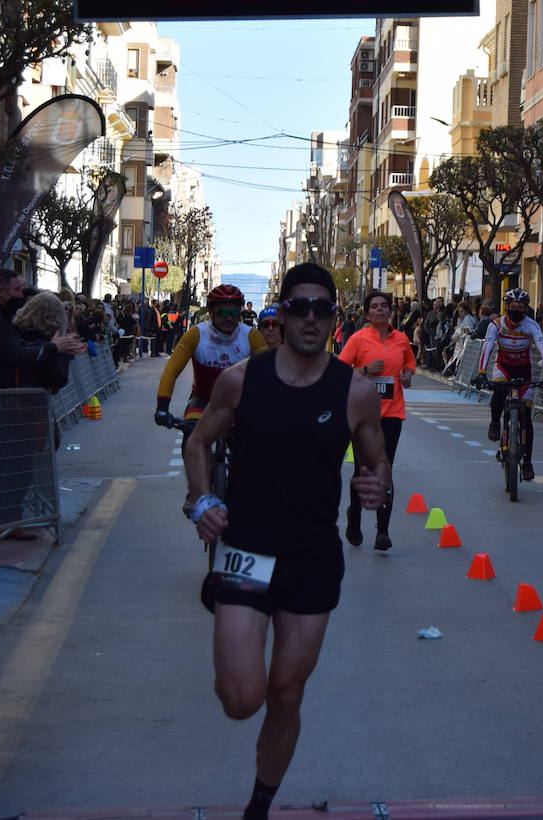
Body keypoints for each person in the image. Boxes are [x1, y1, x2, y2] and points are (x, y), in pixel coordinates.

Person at [182, 262, 389, 820]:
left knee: (287, 694)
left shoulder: (357, 392)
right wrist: (202, 500)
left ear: (334, 318)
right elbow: (199, 443)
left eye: (323, 309)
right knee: (240, 700)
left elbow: (377, 462)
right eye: (300, 306)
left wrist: (374, 485)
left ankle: (260, 803)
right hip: (247, 546)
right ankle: (230, 633)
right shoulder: (243, 379)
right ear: (283, 309)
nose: (311, 318)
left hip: (312, 557)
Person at [336, 291, 416, 551]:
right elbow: (338, 372)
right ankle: (355, 518)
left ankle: (383, 531)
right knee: (363, 471)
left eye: (384, 306)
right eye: (374, 307)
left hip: (392, 412)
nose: (380, 310)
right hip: (363, 415)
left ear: (390, 311)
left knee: (385, 470)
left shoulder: (401, 340)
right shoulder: (358, 339)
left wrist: (406, 374)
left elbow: (410, 364)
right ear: (367, 313)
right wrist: (365, 371)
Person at [154, 283, 269, 430]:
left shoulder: (251, 335)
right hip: (203, 398)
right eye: (222, 312)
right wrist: (162, 407)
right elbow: (172, 371)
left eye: (234, 313)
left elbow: (267, 374)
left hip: (240, 401)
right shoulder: (196, 334)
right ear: (211, 311)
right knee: (192, 437)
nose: (229, 318)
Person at [475, 288, 543, 482]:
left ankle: (527, 462)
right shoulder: (496, 325)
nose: (516, 310)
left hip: (524, 370)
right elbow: (487, 347)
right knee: (500, 392)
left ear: (526, 309)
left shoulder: (531, 326)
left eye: (520, 307)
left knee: (526, 418)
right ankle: (495, 422)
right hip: (503, 367)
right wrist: (482, 373)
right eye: (513, 307)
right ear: (506, 307)